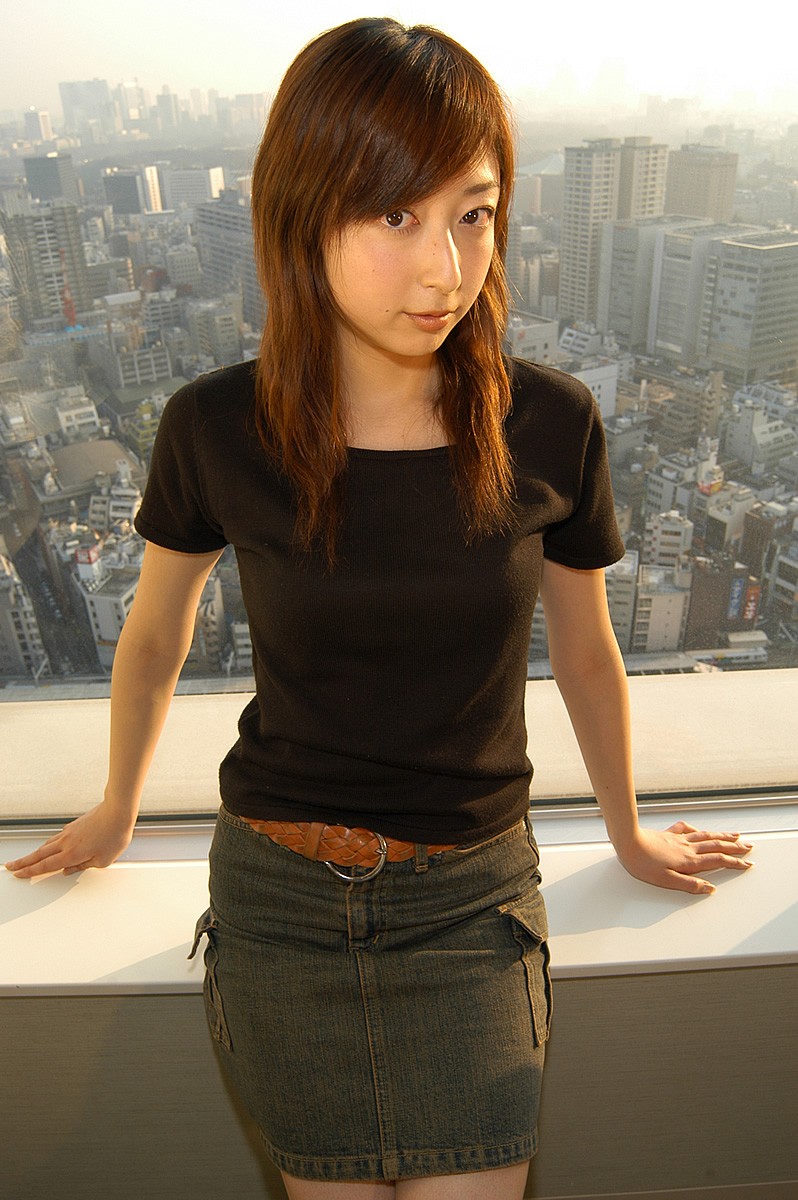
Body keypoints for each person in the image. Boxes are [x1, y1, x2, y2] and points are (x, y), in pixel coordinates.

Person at [6, 17, 754, 1200]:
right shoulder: (216, 427)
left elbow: (587, 651)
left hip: (472, 899)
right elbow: (153, 636)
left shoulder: (550, 423)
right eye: (395, 215)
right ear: (303, 216)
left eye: (474, 213)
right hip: (278, 896)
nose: (446, 269)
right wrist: (116, 805)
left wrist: (628, 829)